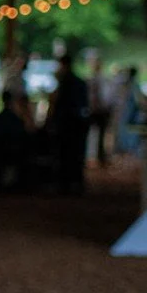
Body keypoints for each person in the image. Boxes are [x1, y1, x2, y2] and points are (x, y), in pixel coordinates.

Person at [48, 53, 90, 194]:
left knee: (65, 154)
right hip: (77, 122)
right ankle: (75, 182)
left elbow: (58, 104)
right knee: (76, 154)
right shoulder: (79, 82)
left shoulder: (65, 82)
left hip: (66, 123)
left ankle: (65, 183)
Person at [86, 55, 115, 166]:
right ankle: (95, 155)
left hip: (101, 110)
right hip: (96, 110)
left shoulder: (102, 79)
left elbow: (105, 96)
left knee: (102, 134)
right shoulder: (93, 79)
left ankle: (100, 156)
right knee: (95, 133)